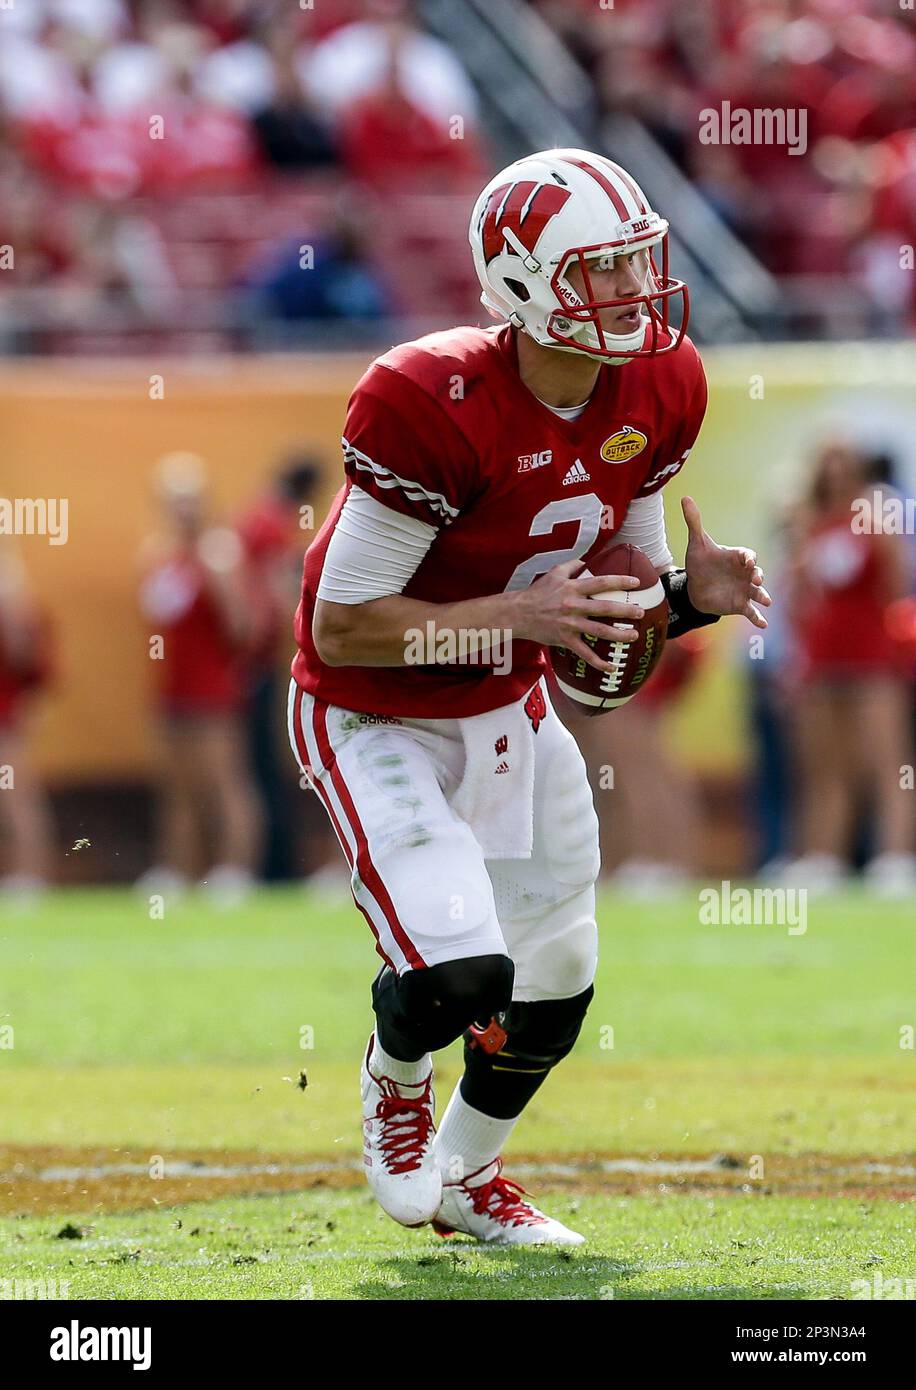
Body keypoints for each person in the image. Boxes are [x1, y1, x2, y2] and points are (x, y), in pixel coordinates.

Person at [287, 148, 770, 1245]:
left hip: (507, 710)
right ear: (519, 282)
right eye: (600, 272)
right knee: (460, 969)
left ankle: (469, 1174)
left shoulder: (661, 384)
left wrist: (682, 600)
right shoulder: (432, 397)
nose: (633, 293)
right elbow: (340, 624)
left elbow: (610, 613)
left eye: (636, 263)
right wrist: (528, 620)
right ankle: (394, 1071)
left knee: (557, 967)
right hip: (376, 713)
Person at [782, 440, 915, 895]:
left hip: (872, 658)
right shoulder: (811, 523)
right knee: (826, 764)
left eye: (844, 465)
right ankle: (824, 857)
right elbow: (797, 593)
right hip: (824, 659)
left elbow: (894, 585)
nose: (836, 474)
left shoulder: (873, 519)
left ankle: (894, 857)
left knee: (886, 760)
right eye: (828, 465)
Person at [137, 452, 262, 907]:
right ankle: (179, 869)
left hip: (212, 690)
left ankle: (234, 868)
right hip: (174, 689)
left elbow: (242, 627)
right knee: (178, 785)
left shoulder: (218, 552)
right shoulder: (159, 554)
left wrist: (217, 582)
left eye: (189, 499)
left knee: (223, 780)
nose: (182, 509)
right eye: (174, 500)